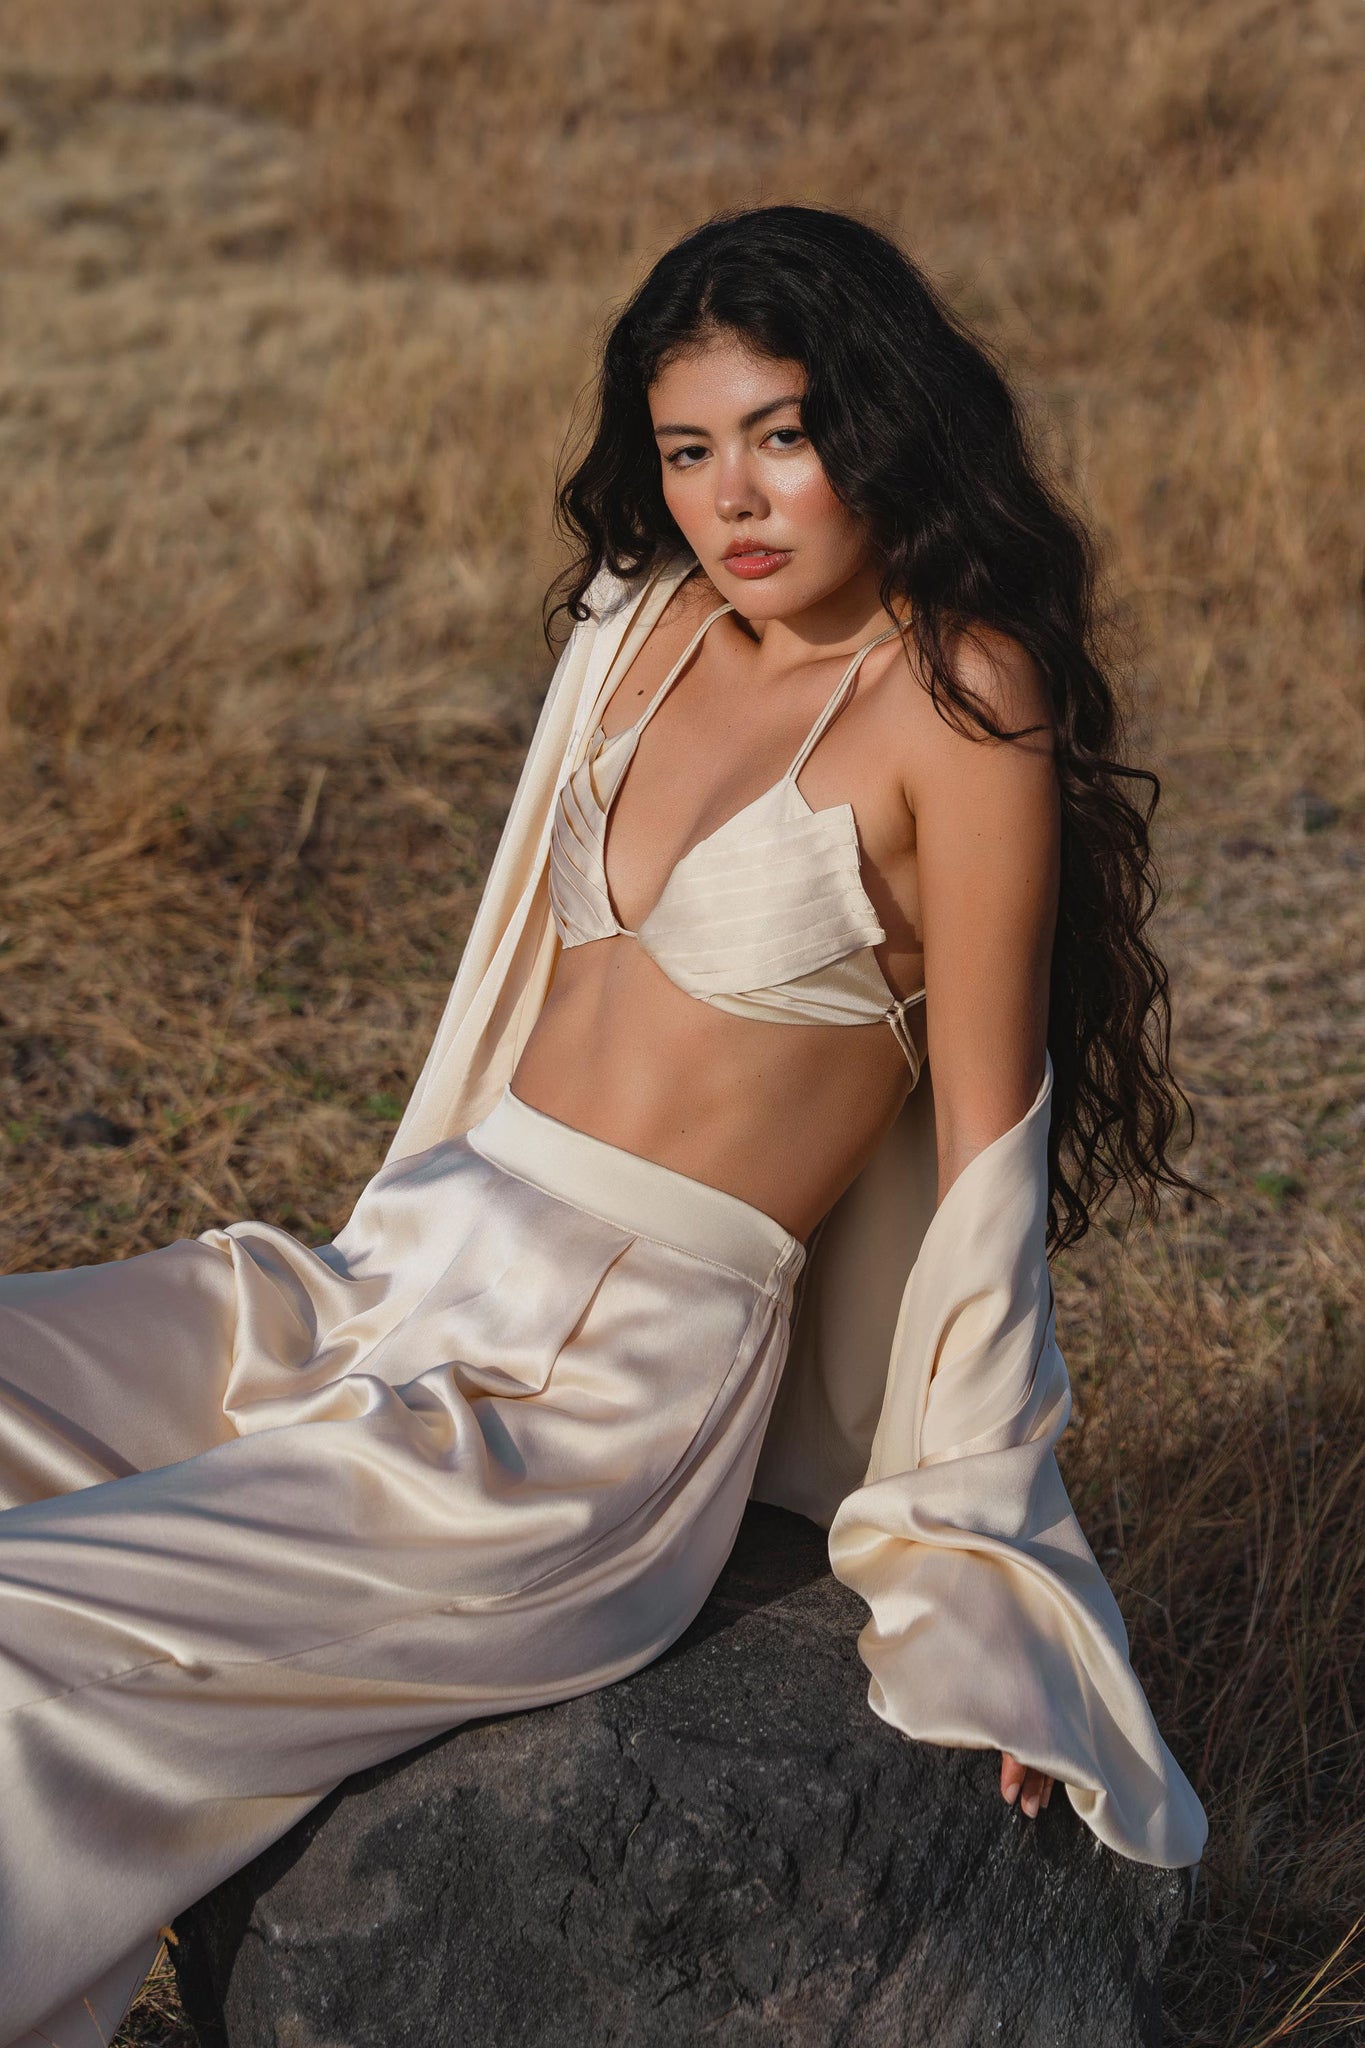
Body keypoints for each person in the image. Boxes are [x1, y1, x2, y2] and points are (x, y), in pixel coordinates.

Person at [0, 204, 1208, 2048]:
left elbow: (987, 1149)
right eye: (687, 447)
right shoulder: (636, 627)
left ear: (878, 425)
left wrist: (983, 1532)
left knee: (27, 1630)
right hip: (392, 1274)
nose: (734, 497)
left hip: (578, 1404)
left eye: (781, 435)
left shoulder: (959, 706)